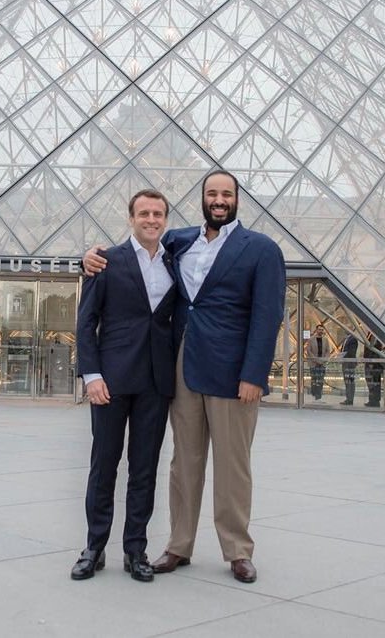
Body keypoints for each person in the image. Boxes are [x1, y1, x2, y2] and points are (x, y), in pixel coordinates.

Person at [84, 170, 285, 584]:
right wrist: (87, 257)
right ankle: (179, 544)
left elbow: (268, 317)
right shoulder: (178, 241)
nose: (219, 200)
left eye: (226, 194)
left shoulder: (262, 249)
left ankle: (237, 550)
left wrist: (254, 374)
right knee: (183, 463)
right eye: (212, 193)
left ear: (237, 199)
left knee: (232, 465)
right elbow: (133, 251)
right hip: (182, 367)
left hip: (233, 374)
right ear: (202, 199)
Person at [70, 189, 177, 583]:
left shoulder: (175, 260)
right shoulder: (105, 261)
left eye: (158, 214)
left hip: (155, 381)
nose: (151, 220)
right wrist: (92, 375)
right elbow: (86, 322)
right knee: (104, 466)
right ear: (131, 218)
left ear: (165, 219)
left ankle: (136, 549)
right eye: (144, 213)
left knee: (144, 470)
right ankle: (94, 547)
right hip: (111, 381)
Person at [305, 323, 331, 400]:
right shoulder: (311, 339)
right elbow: (309, 351)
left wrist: (324, 359)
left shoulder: (326, 340)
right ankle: (314, 392)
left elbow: (328, 351)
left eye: (322, 330)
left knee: (321, 379)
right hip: (314, 363)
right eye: (319, 329)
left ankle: (319, 394)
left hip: (322, 363)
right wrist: (316, 360)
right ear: (316, 330)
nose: (321, 331)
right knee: (314, 378)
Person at [363, 331, 385, 408]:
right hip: (369, 363)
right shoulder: (370, 336)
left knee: (374, 383)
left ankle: (375, 401)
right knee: (370, 383)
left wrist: (372, 362)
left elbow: (375, 350)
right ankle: (372, 400)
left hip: (373, 365)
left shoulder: (375, 337)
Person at [339, 332, 361, 406]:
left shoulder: (353, 339)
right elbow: (343, 350)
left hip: (349, 363)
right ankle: (348, 398)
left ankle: (350, 399)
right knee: (347, 381)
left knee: (350, 381)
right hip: (345, 362)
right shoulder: (346, 338)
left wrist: (343, 357)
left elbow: (351, 352)